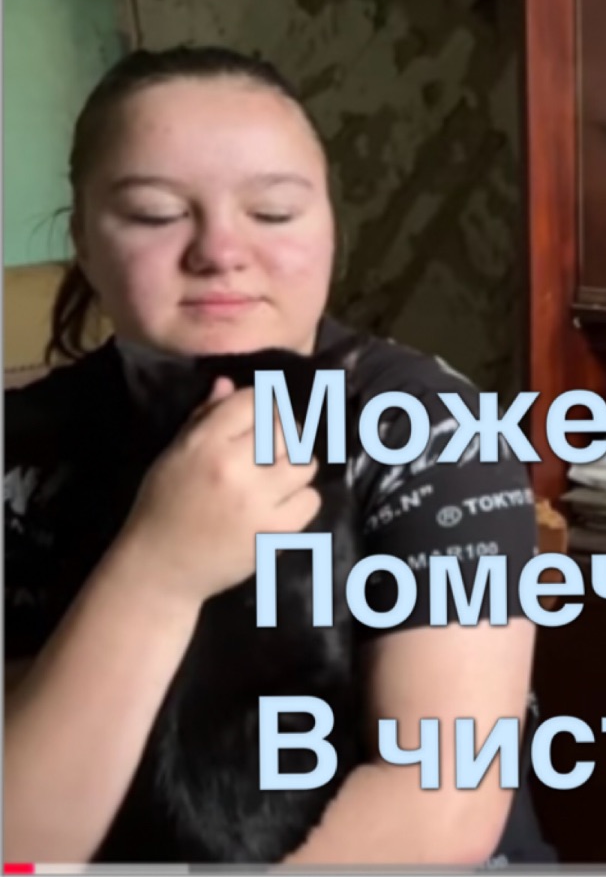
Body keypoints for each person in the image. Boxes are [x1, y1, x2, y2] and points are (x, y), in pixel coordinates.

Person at [3, 45, 555, 865]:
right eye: (155, 214)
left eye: (272, 212)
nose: (220, 251)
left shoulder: (428, 430)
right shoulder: (23, 450)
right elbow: (17, 832)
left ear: (330, 229)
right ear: (82, 237)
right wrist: (157, 569)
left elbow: (438, 808)